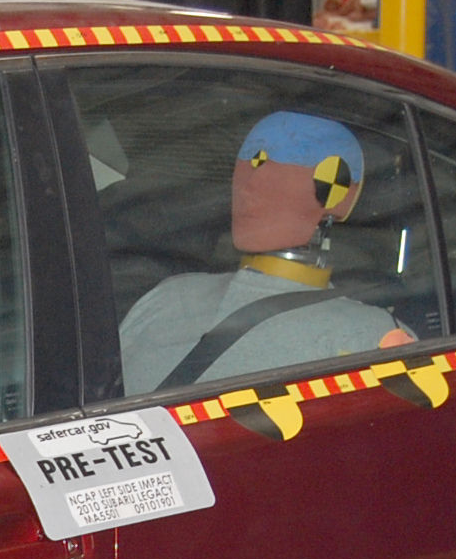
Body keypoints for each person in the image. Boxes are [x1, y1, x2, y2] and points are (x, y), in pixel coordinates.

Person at [118, 111, 413, 394]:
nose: (248, 187)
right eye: (252, 162)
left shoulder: (167, 298)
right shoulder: (371, 336)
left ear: (336, 191)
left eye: (270, 165)